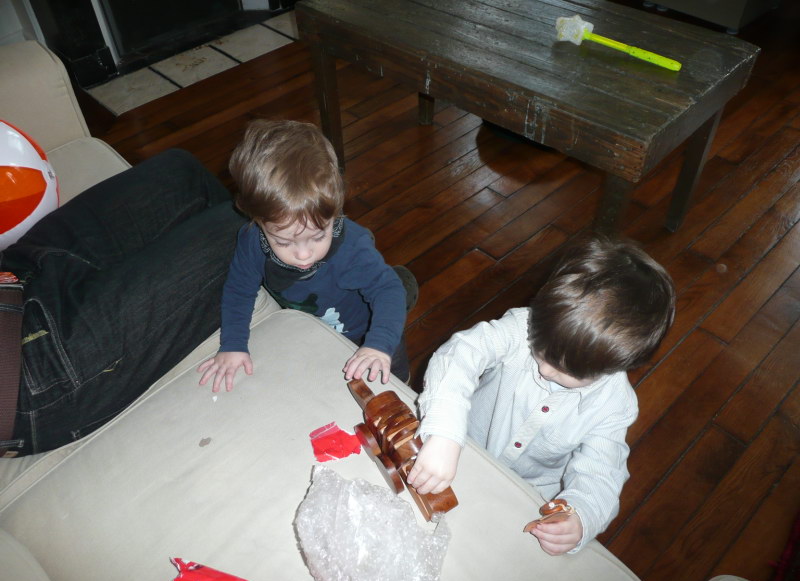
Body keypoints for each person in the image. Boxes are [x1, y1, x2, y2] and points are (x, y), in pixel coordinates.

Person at [406, 234, 676, 555]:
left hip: (525, 495)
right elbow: (460, 354)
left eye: (567, 371)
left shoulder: (615, 406)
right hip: (462, 449)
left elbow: (602, 473)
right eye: (541, 350)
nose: (545, 370)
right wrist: (445, 433)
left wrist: (580, 517)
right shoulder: (523, 327)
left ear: (616, 366)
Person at [1, 149, 247, 455]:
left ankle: (270, 275)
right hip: (22, 372)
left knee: (182, 172)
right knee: (254, 227)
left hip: (15, 273)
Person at [197, 119, 414, 393]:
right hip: (317, 327)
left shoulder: (352, 247)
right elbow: (239, 289)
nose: (303, 255)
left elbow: (386, 290)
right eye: (283, 241)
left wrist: (378, 346)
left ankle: (403, 292)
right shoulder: (252, 240)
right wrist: (233, 344)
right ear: (258, 220)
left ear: (335, 211)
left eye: (318, 236)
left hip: (366, 330)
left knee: (394, 375)